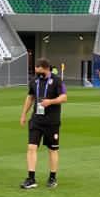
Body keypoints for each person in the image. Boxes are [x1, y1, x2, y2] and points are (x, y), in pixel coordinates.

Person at [20, 58, 67, 189]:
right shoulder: (34, 81)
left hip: (52, 121)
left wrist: (50, 102)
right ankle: (31, 178)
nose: (37, 73)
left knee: (52, 150)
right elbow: (30, 97)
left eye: (39, 71)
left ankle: (52, 177)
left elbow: (64, 97)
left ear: (45, 68)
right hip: (36, 120)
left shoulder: (57, 80)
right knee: (31, 147)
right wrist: (24, 114)